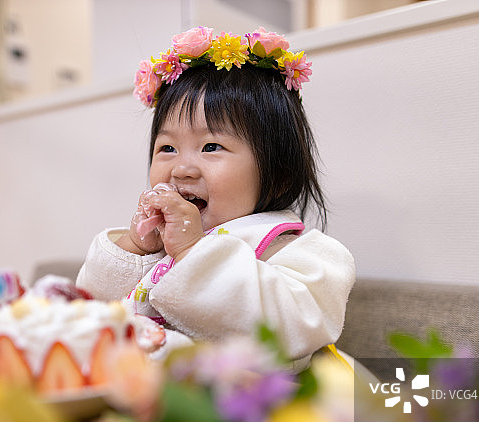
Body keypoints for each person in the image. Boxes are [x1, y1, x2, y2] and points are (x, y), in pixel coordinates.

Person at [77, 27, 355, 365]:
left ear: (279, 174)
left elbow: (287, 327)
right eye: (167, 148)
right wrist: (136, 250)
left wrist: (195, 252)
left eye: (211, 146)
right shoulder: (165, 245)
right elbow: (93, 305)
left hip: (251, 408)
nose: (181, 169)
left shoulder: (303, 255)